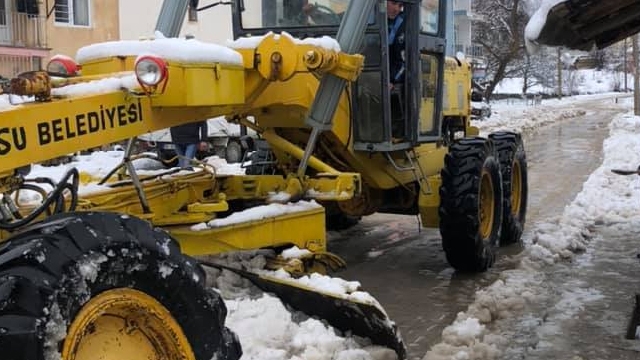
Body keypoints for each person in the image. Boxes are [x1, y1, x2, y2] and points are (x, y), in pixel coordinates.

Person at [387, 0, 405, 90]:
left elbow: (404, 62)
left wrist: (392, 80)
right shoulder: (370, 19)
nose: (396, 9)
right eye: (393, 3)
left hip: (392, 79)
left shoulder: (403, 25)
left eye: (400, 5)